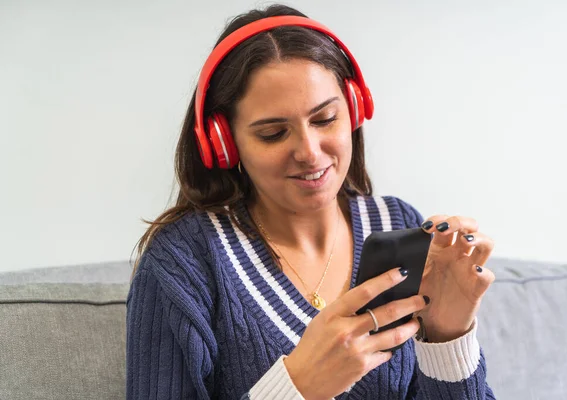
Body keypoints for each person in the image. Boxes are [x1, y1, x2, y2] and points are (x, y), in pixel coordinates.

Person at [126, 4, 497, 399]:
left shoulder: (399, 225)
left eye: (324, 120)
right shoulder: (184, 263)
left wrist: (447, 337)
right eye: (273, 133)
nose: (309, 152)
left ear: (353, 110)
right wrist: (296, 387)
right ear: (224, 144)